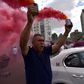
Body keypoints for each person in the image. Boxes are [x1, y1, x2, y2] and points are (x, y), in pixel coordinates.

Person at [19, 3, 73, 84]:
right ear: (32, 43)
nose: (42, 42)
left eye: (43, 40)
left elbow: (58, 45)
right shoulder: (29, 53)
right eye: (39, 41)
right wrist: (30, 22)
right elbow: (22, 43)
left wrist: (66, 33)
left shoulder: (46, 51)